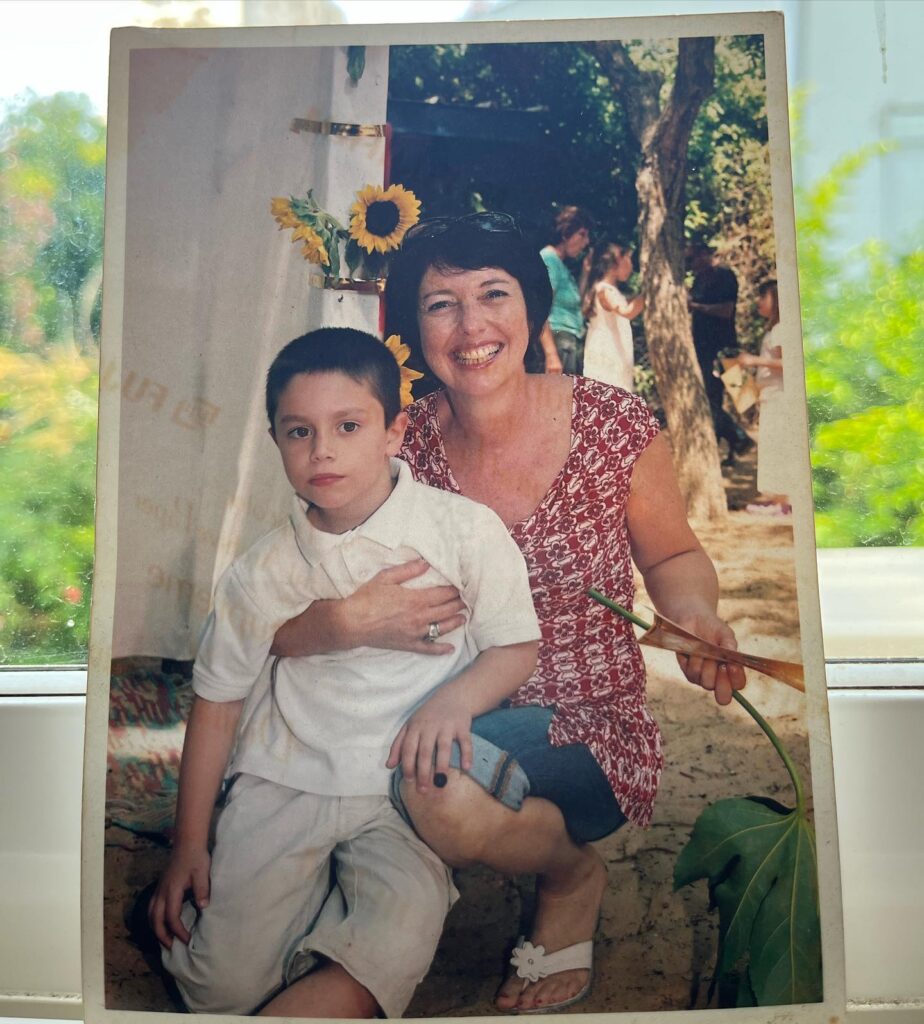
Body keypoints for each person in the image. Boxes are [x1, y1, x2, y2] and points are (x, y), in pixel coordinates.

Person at [272, 214, 747, 1014]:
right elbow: (290, 603)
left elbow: (671, 558)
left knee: (438, 793)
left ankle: (569, 877)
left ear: (530, 306)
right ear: (413, 331)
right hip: (422, 704)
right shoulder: (397, 448)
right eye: (441, 304)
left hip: (583, 718)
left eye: (493, 295)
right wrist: (349, 623)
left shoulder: (612, 425)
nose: (472, 326)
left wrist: (694, 616)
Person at [148, 327, 541, 1018]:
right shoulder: (259, 574)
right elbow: (216, 702)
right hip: (284, 780)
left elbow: (515, 647)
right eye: (298, 432)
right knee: (218, 990)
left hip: (401, 794)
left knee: (393, 943)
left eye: (348, 426)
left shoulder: (463, 531)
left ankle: (337, 936)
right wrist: (188, 842)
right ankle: (295, 919)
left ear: (394, 432)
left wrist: (451, 703)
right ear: (275, 441)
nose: (321, 450)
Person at [686, 243, 754, 465]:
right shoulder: (697, 281)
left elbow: (726, 311)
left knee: (743, 398)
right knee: (710, 399)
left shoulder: (725, 276)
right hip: (703, 350)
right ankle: (727, 446)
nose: (692, 265)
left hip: (725, 347)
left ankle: (739, 438)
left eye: (694, 259)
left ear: (705, 255)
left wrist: (696, 306)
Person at [736, 279, 791, 515]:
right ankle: (778, 498)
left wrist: (754, 360)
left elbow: (788, 363)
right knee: (773, 447)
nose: (759, 302)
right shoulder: (772, 330)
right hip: (770, 395)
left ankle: (783, 503)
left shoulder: (781, 330)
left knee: (780, 446)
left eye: (763, 297)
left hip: (780, 395)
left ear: (776, 300)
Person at [581, 242, 644, 391]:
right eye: (628, 259)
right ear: (616, 262)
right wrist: (648, 292)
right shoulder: (604, 290)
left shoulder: (611, 291)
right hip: (607, 356)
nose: (631, 267)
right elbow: (628, 312)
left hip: (614, 355)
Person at [539, 205, 594, 374]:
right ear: (565, 233)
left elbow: (577, 304)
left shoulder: (561, 265)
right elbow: (538, 308)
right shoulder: (549, 259)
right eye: (582, 235)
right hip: (558, 341)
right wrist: (551, 354)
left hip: (568, 343)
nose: (586, 242)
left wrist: (585, 272)